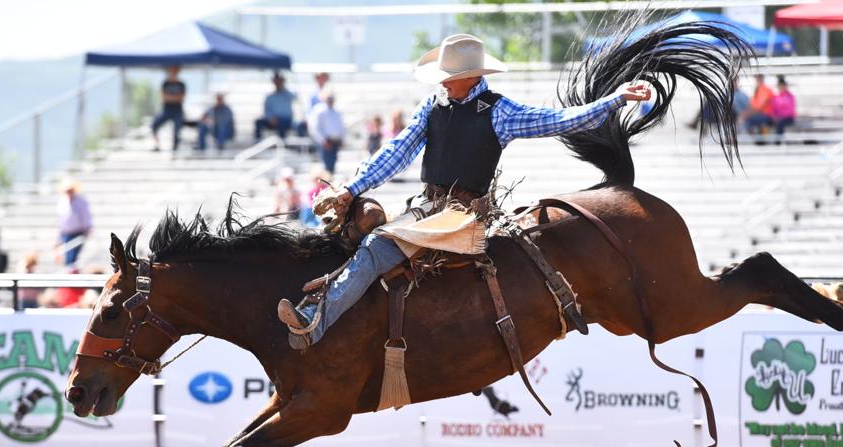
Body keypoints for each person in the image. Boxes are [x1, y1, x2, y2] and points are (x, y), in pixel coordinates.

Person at [276, 33, 650, 349]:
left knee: (375, 248)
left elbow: (557, 121)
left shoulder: (499, 111)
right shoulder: (433, 105)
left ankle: (313, 324)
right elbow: (398, 150)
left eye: (448, 75)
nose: (441, 81)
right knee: (359, 234)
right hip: (426, 210)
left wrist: (614, 99)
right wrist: (352, 188)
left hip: (464, 216)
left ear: (471, 77)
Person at [56, 179, 92, 266]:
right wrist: (58, 236)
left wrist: (87, 230)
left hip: (78, 232)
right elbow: (60, 220)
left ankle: (70, 272)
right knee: (68, 256)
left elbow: (86, 216)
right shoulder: (62, 201)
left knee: (72, 257)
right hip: (65, 233)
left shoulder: (81, 202)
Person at [151, 65, 186, 153]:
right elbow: (164, 97)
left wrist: (171, 97)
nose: (173, 72)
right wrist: (174, 97)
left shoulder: (181, 84)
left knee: (177, 129)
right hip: (167, 110)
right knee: (154, 125)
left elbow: (181, 98)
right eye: (172, 70)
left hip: (178, 110)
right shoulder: (165, 83)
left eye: (175, 70)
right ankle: (157, 145)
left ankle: (175, 148)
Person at [308, 92, 346, 173]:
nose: (330, 100)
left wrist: (342, 139)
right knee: (327, 165)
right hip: (326, 142)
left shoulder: (337, 112)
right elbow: (316, 128)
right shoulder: (319, 111)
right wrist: (323, 141)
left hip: (335, 141)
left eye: (332, 98)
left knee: (332, 164)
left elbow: (342, 127)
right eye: (329, 98)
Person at [255, 73, 296, 140]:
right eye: (276, 81)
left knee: (282, 123)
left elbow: (294, 97)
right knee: (258, 122)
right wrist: (270, 118)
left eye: (279, 81)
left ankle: (282, 143)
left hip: (285, 120)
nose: (278, 83)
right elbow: (266, 110)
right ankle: (257, 142)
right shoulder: (270, 97)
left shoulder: (287, 94)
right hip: (272, 120)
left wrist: (283, 87)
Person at [298, 71, 332, 136]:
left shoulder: (330, 91)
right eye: (319, 77)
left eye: (323, 77)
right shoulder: (312, 91)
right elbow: (309, 108)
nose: (321, 79)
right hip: (314, 118)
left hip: (325, 119)